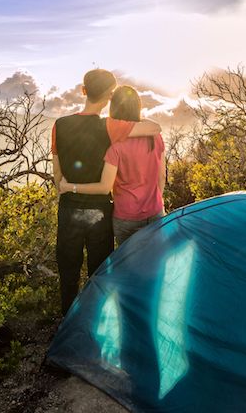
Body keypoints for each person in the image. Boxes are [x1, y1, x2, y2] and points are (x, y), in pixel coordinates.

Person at [52, 70, 161, 315]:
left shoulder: (59, 125)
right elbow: (154, 128)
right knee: (99, 273)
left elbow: (57, 176)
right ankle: (96, 324)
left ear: (83, 90)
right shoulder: (110, 126)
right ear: (110, 95)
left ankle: (67, 326)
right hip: (100, 210)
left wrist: (67, 187)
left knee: (68, 274)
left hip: (69, 208)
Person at [60, 85, 165, 246]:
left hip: (126, 216)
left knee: (128, 264)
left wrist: (69, 187)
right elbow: (161, 176)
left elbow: (105, 187)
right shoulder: (155, 137)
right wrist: (156, 201)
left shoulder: (115, 146)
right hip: (155, 211)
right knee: (156, 260)